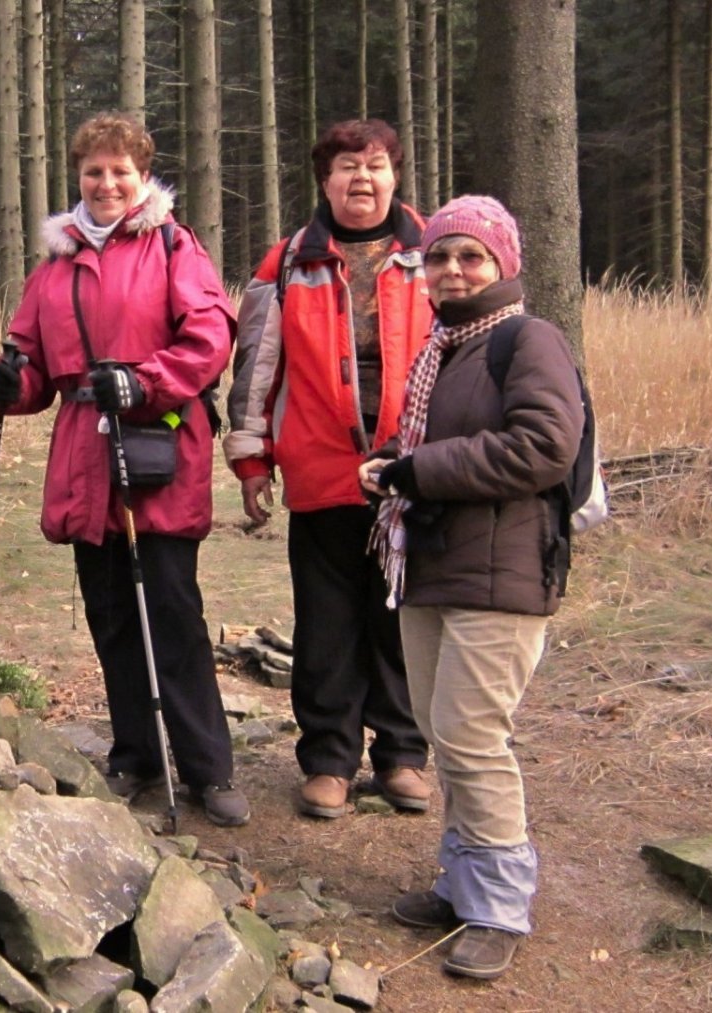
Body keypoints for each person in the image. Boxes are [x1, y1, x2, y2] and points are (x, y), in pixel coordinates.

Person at [0, 112, 248, 827]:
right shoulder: (54, 266)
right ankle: (135, 754)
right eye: (94, 171)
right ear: (78, 176)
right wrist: (10, 382)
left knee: (171, 611)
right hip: (85, 457)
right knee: (110, 614)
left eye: (120, 172)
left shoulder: (174, 247)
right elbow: (32, 364)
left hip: (157, 450)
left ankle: (208, 766)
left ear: (142, 177)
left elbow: (210, 336)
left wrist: (142, 381)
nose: (106, 184)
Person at [359, 195, 584, 980]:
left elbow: (544, 445)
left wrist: (417, 470)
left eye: (471, 256)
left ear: (503, 264)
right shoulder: (444, 347)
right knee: (440, 729)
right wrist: (391, 461)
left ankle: (498, 906)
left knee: (471, 736)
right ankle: (462, 883)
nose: (452, 269)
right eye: (439, 256)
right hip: (433, 562)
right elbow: (437, 437)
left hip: (503, 571)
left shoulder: (528, 339)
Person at [225, 119, 433, 820]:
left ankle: (403, 755)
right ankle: (329, 760)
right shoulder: (288, 262)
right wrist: (251, 457)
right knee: (326, 625)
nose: (361, 179)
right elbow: (257, 367)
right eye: (347, 166)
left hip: (415, 473)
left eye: (375, 165)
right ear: (325, 180)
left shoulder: (434, 251)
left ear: (395, 176)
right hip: (320, 470)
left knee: (402, 619)